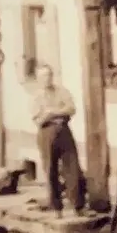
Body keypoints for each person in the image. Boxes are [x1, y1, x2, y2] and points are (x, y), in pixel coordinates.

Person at [30, 64, 85, 215]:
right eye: (43, 76)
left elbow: (71, 109)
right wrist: (57, 113)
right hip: (46, 133)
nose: (47, 79)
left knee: (72, 167)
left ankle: (77, 206)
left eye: (49, 75)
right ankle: (56, 208)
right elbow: (39, 120)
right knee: (50, 169)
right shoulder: (36, 96)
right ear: (38, 79)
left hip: (64, 130)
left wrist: (52, 112)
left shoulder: (62, 91)